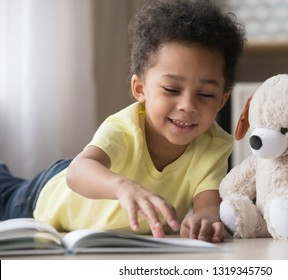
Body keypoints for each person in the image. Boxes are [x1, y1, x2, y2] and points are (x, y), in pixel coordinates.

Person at [0, 0, 246, 243]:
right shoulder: (125, 127)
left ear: (222, 100)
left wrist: (204, 219)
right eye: (171, 89)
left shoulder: (215, 144)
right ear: (140, 89)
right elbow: (77, 172)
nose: (188, 105)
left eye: (205, 94)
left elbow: (208, 205)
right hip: (42, 200)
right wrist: (122, 187)